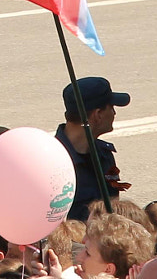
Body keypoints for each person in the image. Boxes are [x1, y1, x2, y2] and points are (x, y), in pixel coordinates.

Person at [59, 76, 127, 220]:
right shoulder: (51, 162)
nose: (114, 113)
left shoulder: (105, 155)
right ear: (98, 115)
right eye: (112, 107)